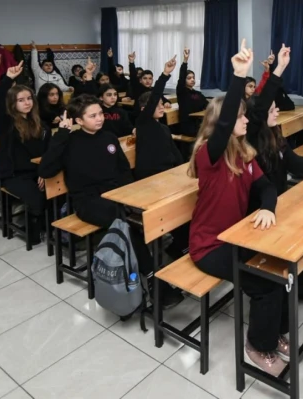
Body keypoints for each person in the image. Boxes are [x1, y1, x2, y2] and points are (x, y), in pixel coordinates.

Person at [188, 39, 290, 376]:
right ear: (225, 121)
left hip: (235, 237)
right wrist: (237, 76)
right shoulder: (210, 156)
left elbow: (267, 187)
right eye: (240, 116)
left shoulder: (245, 154)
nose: (246, 121)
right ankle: (257, 346)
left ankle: (276, 332)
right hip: (209, 246)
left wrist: (268, 207)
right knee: (265, 282)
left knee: (280, 269)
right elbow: (225, 122)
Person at [38, 94, 183, 308]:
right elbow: (45, 169)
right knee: (125, 221)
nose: (99, 118)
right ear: (78, 120)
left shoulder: (109, 137)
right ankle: (153, 278)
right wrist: (61, 133)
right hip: (87, 201)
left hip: (116, 196)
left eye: (100, 114)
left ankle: (172, 255)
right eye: (93, 115)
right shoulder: (68, 141)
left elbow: (123, 171)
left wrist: (131, 196)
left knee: (148, 210)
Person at [246, 44, 303, 300]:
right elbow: (260, 105)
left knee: (302, 238)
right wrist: (279, 69)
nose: (277, 112)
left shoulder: (275, 133)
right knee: (293, 242)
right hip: (260, 207)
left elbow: (294, 162)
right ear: (261, 115)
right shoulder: (252, 136)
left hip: (279, 198)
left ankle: (302, 287)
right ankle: (294, 287)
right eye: (272, 110)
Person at [0, 61, 51, 244]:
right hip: (15, 175)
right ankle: (33, 233)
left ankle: (48, 226)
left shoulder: (40, 123)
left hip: (37, 171)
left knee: (58, 192)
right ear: (12, 103)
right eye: (21, 100)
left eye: (29, 98)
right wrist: (8, 79)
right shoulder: (6, 123)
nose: (26, 103)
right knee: (37, 198)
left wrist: (44, 172)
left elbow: (48, 151)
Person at [133, 55, 189, 259]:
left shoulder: (164, 128)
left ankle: (182, 243)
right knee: (175, 208)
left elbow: (175, 153)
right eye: (157, 105)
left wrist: (185, 173)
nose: (161, 107)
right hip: (150, 178)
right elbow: (155, 94)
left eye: (161, 104)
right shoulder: (143, 124)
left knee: (189, 200)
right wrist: (165, 75)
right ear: (145, 110)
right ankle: (180, 244)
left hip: (167, 175)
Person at [176, 48, 209, 136]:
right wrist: (185, 60)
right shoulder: (182, 91)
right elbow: (181, 77)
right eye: (189, 78)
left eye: (193, 77)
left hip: (197, 123)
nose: (192, 80)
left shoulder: (197, 93)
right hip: (187, 125)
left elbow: (206, 103)